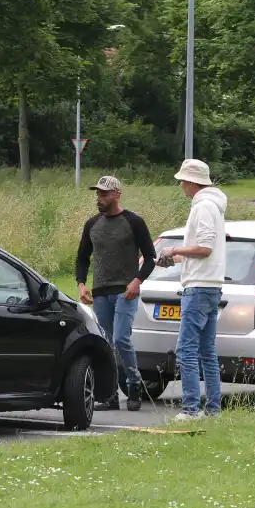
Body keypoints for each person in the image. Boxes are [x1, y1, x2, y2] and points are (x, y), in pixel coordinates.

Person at [75, 175, 158, 411]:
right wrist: (81, 284)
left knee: (121, 338)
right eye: (97, 194)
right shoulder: (92, 224)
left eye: (104, 194)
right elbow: (82, 257)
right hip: (101, 292)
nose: (99, 198)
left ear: (117, 195)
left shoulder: (133, 222)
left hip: (126, 291)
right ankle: (110, 395)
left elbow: (150, 257)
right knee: (107, 343)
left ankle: (134, 386)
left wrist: (137, 281)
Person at [156, 159, 227, 421]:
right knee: (207, 350)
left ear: (193, 182)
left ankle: (190, 409)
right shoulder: (214, 206)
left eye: (183, 181)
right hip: (210, 286)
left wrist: (174, 249)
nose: (181, 185)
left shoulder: (203, 207)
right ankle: (213, 410)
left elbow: (205, 248)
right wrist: (171, 259)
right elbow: (202, 252)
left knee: (186, 349)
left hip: (197, 289)